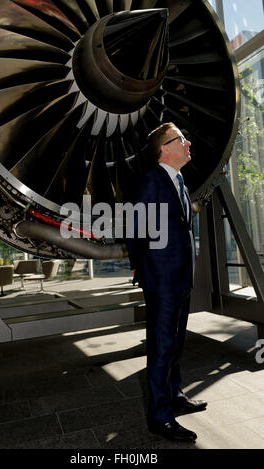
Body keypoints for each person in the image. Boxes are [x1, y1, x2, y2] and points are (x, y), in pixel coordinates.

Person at [126, 122, 207, 442]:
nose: (188, 143)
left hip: (181, 277)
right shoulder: (150, 181)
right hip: (161, 279)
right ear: (165, 148)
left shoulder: (181, 182)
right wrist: (142, 268)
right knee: (161, 347)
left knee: (175, 343)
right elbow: (135, 229)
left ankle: (174, 395)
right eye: (181, 139)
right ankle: (160, 416)